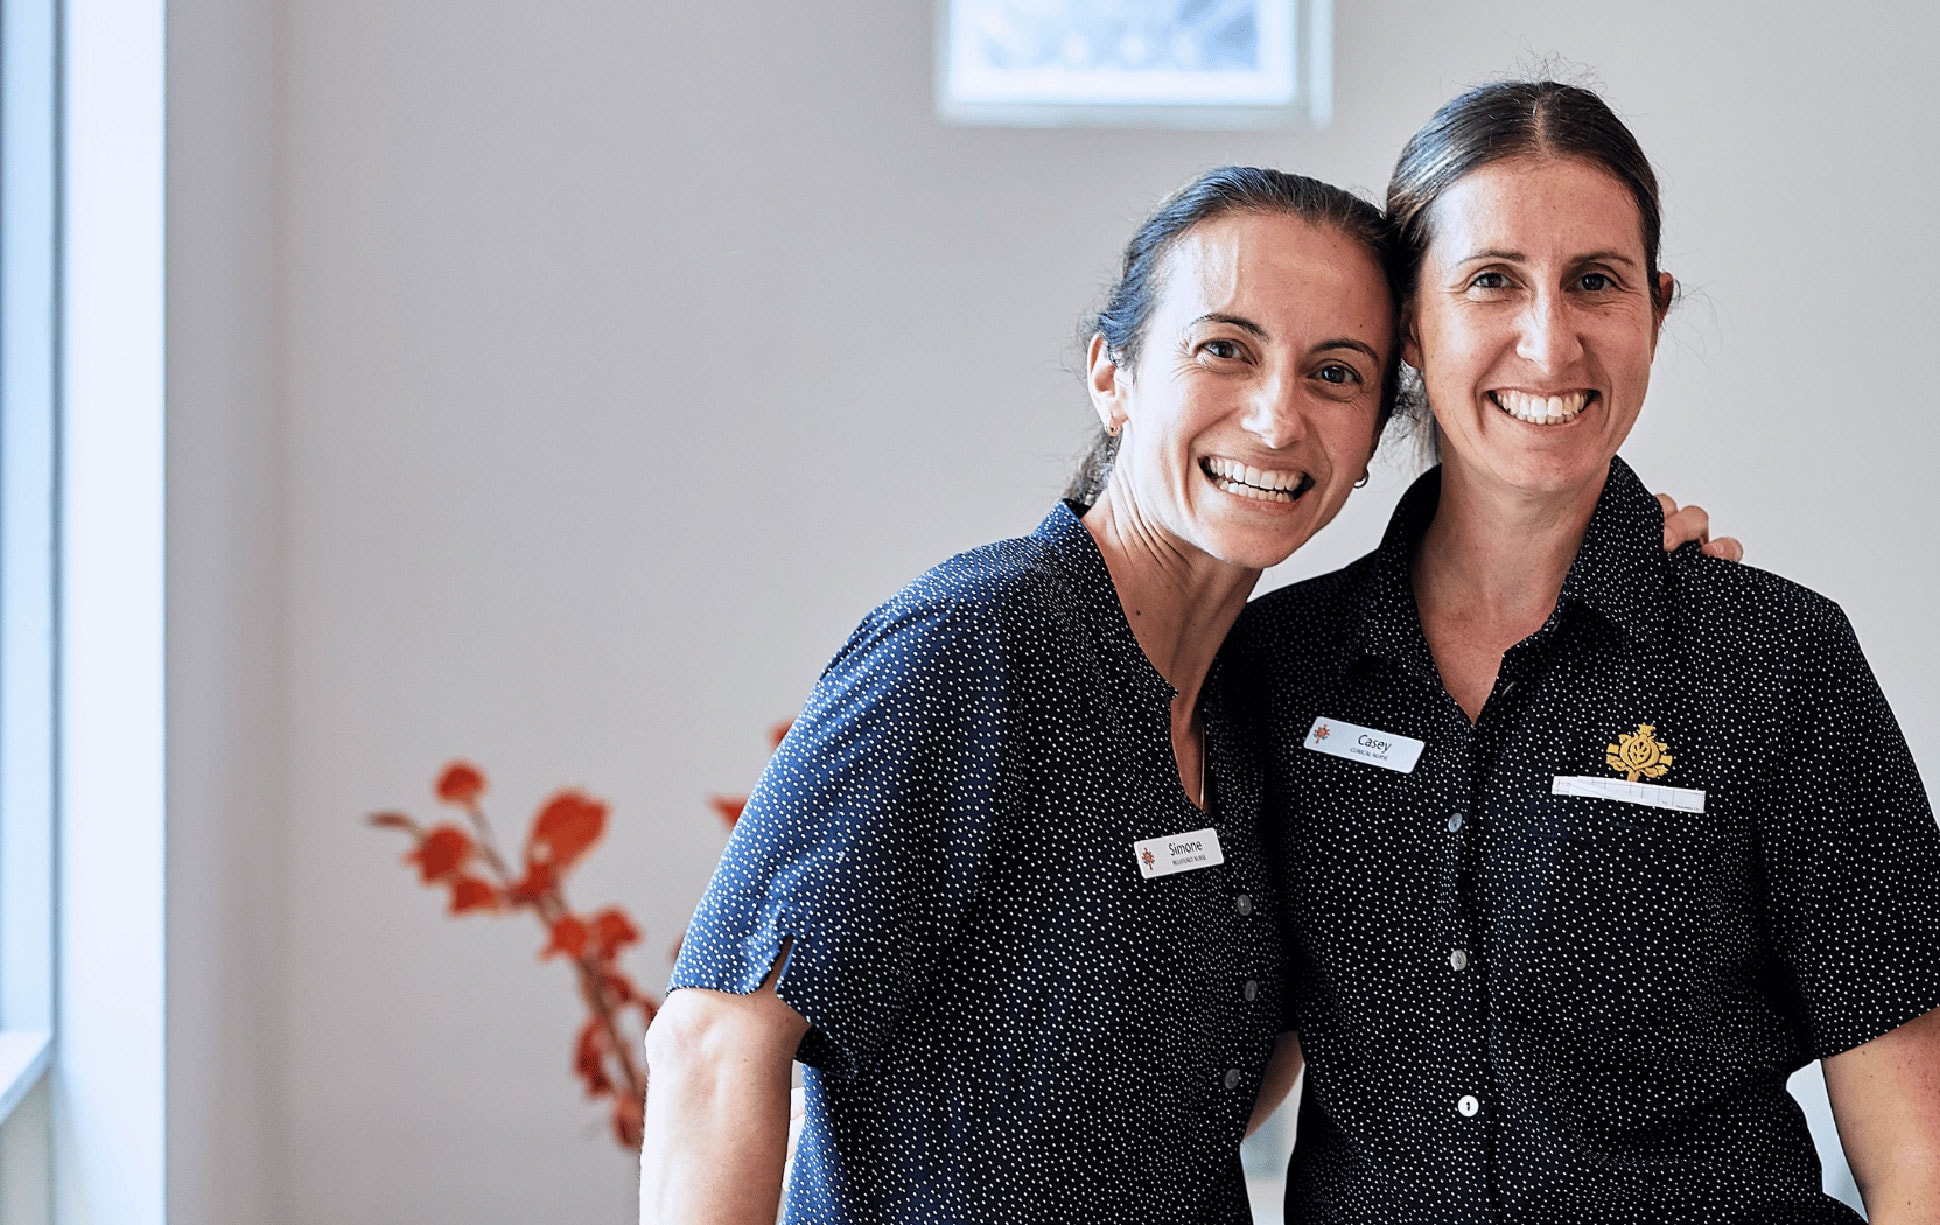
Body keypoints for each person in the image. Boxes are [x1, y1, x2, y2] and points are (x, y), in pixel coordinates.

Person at [638, 167, 1399, 1225]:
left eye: (1335, 372)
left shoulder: (1245, 699)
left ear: (1370, 440)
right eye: (1224, 348)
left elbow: (1201, 1091)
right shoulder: (978, 642)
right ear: (1112, 374)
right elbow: (712, 1044)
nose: (1276, 416)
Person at [1236, 81, 1940, 1224]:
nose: (1548, 339)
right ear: (1409, 323)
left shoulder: (1772, 658)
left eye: (1595, 282)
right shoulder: (1281, 663)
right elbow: (1214, 1061)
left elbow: (1919, 1159)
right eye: (1490, 281)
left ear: (1653, 310)